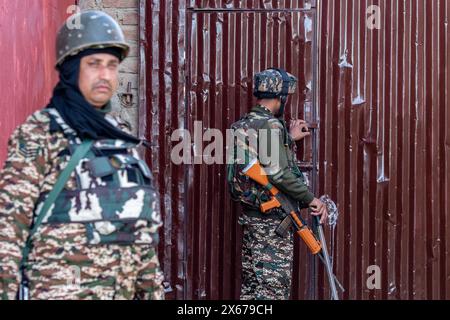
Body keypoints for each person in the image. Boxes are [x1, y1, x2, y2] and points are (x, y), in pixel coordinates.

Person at [0, 10, 164, 300]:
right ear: (71, 69)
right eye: (94, 64)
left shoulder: (119, 138)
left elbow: (141, 240)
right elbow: (9, 231)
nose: (105, 75)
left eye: (112, 65)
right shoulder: (42, 132)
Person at [227, 68, 328, 300]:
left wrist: (288, 139)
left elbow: (261, 156)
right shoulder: (270, 125)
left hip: (252, 219)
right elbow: (279, 173)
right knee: (273, 291)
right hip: (271, 224)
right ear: (280, 98)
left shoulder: (242, 125)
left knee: (252, 290)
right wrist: (311, 199)